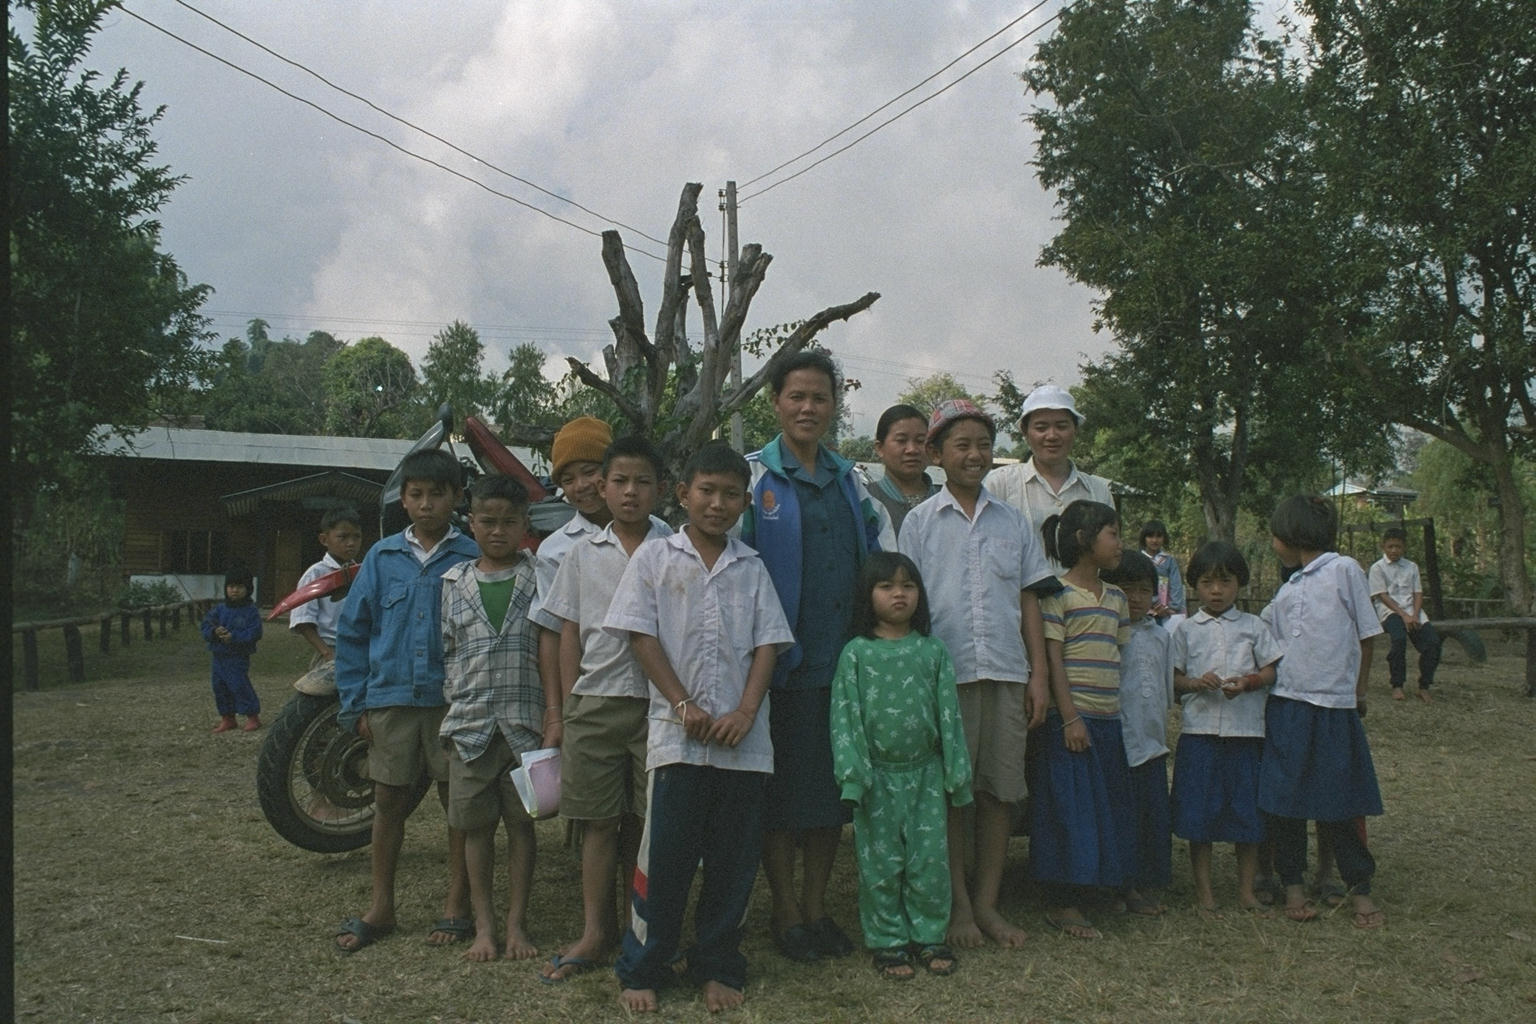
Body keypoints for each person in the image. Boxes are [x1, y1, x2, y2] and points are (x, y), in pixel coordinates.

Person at [604, 441, 795, 1014]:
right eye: (705, 491)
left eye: (730, 494)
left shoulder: (751, 568)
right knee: (663, 860)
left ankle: (718, 963)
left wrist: (744, 712)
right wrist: (683, 704)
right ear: (683, 494)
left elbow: (768, 645)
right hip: (676, 740)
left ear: (745, 503)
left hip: (743, 746)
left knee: (735, 863)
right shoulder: (657, 559)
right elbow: (641, 636)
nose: (716, 503)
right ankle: (644, 965)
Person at [740, 350, 893, 965]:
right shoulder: (755, 478)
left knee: (834, 793)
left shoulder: (851, 478)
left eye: (820, 398)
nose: (808, 408)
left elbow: (877, 560)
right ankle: (782, 909)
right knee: (780, 798)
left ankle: (816, 906)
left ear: (834, 405)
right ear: (775, 402)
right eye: (796, 396)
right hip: (779, 670)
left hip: (847, 666)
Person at [898, 399, 1054, 950]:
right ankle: (958, 905)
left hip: (1008, 674)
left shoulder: (1014, 521)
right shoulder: (918, 522)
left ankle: (988, 903)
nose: (974, 454)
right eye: (961, 445)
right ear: (936, 454)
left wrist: (1037, 677)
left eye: (983, 445)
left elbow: (1029, 599)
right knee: (952, 793)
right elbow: (906, 604)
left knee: (1000, 792)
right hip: (946, 677)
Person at [333, 448, 480, 953]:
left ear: (456, 498)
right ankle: (382, 906)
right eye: (415, 494)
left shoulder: (473, 556)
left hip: (452, 703)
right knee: (388, 802)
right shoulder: (381, 557)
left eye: (436, 494)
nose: (425, 504)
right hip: (391, 700)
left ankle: (457, 906)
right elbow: (353, 634)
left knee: (456, 803)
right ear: (403, 498)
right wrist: (355, 705)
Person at [537, 437, 672, 983]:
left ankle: (646, 929)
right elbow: (567, 630)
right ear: (602, 488)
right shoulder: (580, 553)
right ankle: (596, 930)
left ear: (661, 488)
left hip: (659, 704)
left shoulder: (676, 546)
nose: (630, 492)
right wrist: (569, 709)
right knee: (596, 823)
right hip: (595, 702)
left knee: (648, 825)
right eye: (619, 481)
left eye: (642, 482)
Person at [829, 552, 972, 981]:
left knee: (929, 861)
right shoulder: (856, 655)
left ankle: (930, 936)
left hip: (926, 774)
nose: (899, 594)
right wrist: (854, 778)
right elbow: (845, 719)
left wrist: (956, 776)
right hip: (876, 779)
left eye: (908, 586)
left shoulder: (933, 652)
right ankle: (888, 941)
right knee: (881, 864)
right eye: (887, 586)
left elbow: (950, 716)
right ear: (867, 595)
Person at [1260, 495, 1386, 929]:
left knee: (1339, 798)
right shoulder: (1287, 588)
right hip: (1287, 704)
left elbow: (1367, 635)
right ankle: (1292, 882)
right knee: (1286, 798)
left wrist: (1359, 689)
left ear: (1292, 535)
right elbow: (1266, 643)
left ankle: (1359, 887)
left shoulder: (1344, 570)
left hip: (1333, 706)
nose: (1273, 542)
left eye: (1275, 534)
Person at [439, 475, 545, 963]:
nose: (498, 531)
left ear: (525, 524)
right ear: (471, 522)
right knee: (474, 829)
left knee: (522, 828)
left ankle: (517, 922)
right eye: (487, 521)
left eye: (509, 522)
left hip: (526, 726)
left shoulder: (542, 576)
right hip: (470, 728)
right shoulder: (453, 584)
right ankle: (483, 926)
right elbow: (448, 652)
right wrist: (457, 705)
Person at [1031, 500, 1132, 940]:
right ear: (1083, 541)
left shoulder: (1117, 598)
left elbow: (1118, 653)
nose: (1119, 543)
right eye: (1112, 534)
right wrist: (1070, 718)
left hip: (1108, 718)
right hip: (1071, 721)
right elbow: (1053, 660)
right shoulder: (1055, 594)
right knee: (1068, 810)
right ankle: (1062, 901)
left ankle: (1099, 887)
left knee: (1104, 804)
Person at [1170, 541, 1282, 917]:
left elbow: (1270, 670)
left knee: (1246, 815)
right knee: (1199, 816)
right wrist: (1196, 683)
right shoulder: (1186, 630)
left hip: (1246, 734)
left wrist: (1248, 683)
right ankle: (1205, 894)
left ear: (1241, 584)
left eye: (1225, 582)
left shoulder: (1254, 626)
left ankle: (1247, 892)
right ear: (1194, 586)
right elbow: (1175, 679)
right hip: (1200, 733)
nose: (1216, 591)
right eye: (1206, 583)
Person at [527, 416, 615, 756]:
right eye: (568, 478)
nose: (580, 485)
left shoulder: (658, 534)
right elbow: (550, 632)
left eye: (590, 471)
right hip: (587, 695)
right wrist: (555, 714)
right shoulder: (556, 549)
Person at [1101, 549, 1174, 916]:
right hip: (1118, 741)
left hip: (1152, 743)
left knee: (1150, 819)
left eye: (1144, 590)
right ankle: (1118, 888)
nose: (1135, 598)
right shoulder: (1107, 634)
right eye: (1125, 589)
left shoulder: (1161, 637)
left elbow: (1165, 691)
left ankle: (1145, 884)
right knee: (1120, 819)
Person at [984, 384, 1113, 575]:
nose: (1052, 436)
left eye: (1061, 426)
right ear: (1026, 433)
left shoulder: (1098, 490)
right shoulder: (999, 484)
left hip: (1084, 603)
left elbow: (1109, 556)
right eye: (1041, 427)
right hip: (1018, 601)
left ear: (1075, 431)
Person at [1368, 527, 1442, 703]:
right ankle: (1397, 684)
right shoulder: (1377, 568)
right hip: (1390, 612)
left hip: (1412, 611)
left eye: (1398, 547)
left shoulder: (1411, 567)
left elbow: (1417, 593)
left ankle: (1424, 685)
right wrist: (1403, 616)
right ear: (1383, 547)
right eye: (1390, 546)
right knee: (1399, 640)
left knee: (1433, 644)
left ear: (1404, 548)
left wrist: (1414, 615)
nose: (1394, 550)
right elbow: (1382, 595)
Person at [289, 506, 364, 665]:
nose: (351, 543)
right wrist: (327, 654)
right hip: (331, 651)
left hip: (360, 650)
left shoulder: (363, 572)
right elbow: (303, 620)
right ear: (324, 539)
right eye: (343, 537)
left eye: (356, 537)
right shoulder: (316, 574)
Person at [201, 563, 263, 733]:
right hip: (218, 656)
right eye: (231, 586)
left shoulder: (250, 611)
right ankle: (227, 718)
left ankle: (252, 716)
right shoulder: (219, 609)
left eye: (239, 587)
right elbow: (205, 627)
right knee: (219, 687)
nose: (234, 590)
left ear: (248, 589)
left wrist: (234, 637)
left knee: (239, 684)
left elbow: (255, 632)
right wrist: (215, 632)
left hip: (237, 657)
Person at [868, 403, 939, 536]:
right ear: (879, 448)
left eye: (920, 441)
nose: (912, 450)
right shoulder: (866, 501)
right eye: (901, 440)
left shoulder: (947, 501)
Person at [1138, 519, 1185, 623]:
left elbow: (1176, 584)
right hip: (1143, 610)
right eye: (1150, 536)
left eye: (1158, 536)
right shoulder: (1138, 560)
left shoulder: (1169, 560)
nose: (1154, 540)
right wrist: (1154, 605)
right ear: (1144, 538)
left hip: (1167, 612)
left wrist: (1173, 607)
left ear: (1164, 538)